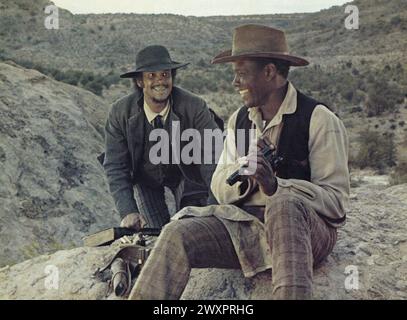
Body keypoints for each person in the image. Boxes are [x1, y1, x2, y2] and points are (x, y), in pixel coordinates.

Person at [128, 25, 350, 300]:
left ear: (269, 72)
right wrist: (245, 180)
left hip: (304, 234)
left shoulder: (318, 119)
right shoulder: (240, 120)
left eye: (241, 74)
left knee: (284, 204)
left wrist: (275, 186)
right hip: (250, 229)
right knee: (177, 232)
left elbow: (336, 202)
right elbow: (220, 182)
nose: (235, 82)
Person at [103, 45, 221, 231]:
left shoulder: (194, 106)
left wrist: (215, 204)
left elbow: (213, 156)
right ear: (140, 82)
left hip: (188, 175)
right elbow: (116, 165)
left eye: (165, 74)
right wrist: (128, 211)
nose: (160, 81)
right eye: (151, 76)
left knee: (192, 230)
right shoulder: (120, 113)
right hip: (145, 178)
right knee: (154, 236)